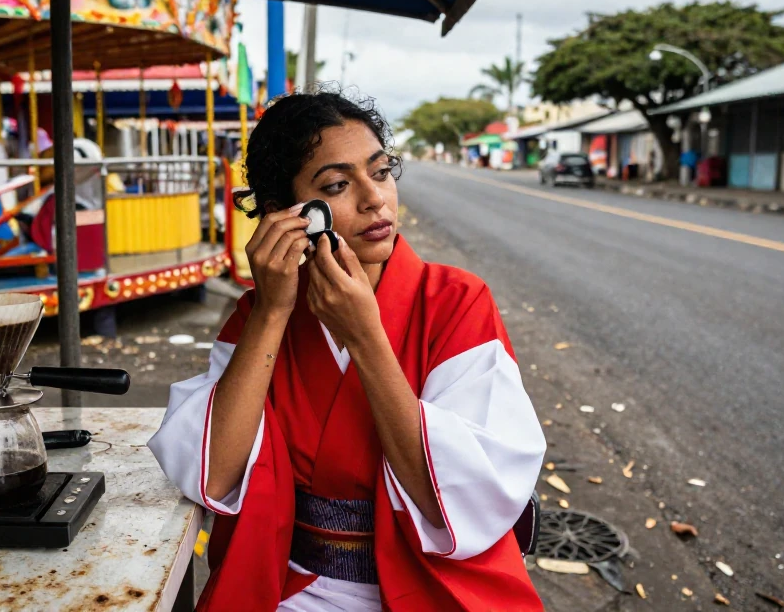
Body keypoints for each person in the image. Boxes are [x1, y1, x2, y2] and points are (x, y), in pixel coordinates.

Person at [148, 90, 545, 612]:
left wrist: (365, 337)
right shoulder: (260, 316)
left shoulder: (456, 303)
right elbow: (214, 475)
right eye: (337, 185)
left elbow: (449, 496)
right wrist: (271, 312)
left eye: (380, 173)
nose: (374, 199)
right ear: (283, 214)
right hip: (290, 588)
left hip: (429, 588)